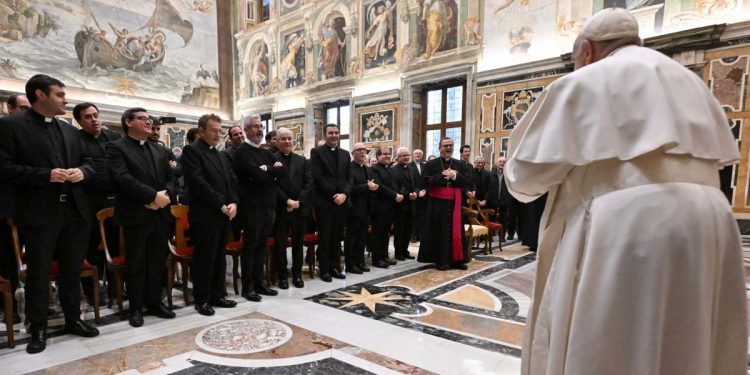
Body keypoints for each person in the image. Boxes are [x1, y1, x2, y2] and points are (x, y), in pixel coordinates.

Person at [505, 8, 747, 374]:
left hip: (628, 220)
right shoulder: (690, 82)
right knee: (689, 334)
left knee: (617, 342)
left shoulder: (587, 80)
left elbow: (525, 177)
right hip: (712, 219)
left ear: (587, 50)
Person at [0, 74, 100, 353]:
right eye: (59, 94)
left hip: (74, 211)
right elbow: (4, 168)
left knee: (71, 271)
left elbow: (91, 162)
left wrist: (83, 172)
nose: (65, 100)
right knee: (39, 274)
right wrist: (46, 175)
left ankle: (73, 319)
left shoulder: (69, 130)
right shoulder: (10, 126)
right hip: (39, 214)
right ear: (40, 95)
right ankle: (38, 327)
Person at [107, 107, 177, 328]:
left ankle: (155, 302)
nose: (149, 122)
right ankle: (136, 308)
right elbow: (122, 178)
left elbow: (173, 177)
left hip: (160, 214)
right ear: (128, 122)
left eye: (149, 119)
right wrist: (151, 196)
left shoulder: (160, 150)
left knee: (157, 262)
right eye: (143, 119)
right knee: (136, 263)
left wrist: (165, 195)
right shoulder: (116, 147)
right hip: (135, 214)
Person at [180, 114, 238, 316]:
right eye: (213, 130)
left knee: (219, 257)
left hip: (223, 215)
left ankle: (218, 294)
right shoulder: (192, 151)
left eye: (219, 130)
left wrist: (233, 203)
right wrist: (221, 204)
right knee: (205, 258)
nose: (217, 134)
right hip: (205, 215)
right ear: (201, 131)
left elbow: (231, 182)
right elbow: (198, 183)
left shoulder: (221, 155)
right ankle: (202, 299)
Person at [74, 102, 121, 302]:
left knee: (116, 246)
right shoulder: (75, 140)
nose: (94, 119)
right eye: (88, 117)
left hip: (116, 199)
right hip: (89, 201)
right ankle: (93, 293)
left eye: (95, 115)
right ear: (79, 121)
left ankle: (115, 290)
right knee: (91, 247)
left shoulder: (113, 137)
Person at [233, 115, 282, 300]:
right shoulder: (241, 152)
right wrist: (271, 171)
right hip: (251, 206)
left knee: (262, 246)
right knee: (251, 246)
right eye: (255, 127)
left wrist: (265, 169)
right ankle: (248, 287)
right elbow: (255, 175)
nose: (260, 130)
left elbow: (281, 172)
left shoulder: (267, 152)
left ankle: (260, 283)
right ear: (246, 130)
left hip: (269, 204)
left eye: (261, 126)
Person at [417, 137, 469, 270]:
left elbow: (467, 181)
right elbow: (424, 182)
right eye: (445, 146)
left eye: (450, 145)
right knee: (439, 231)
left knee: (456, 231)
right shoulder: (431, 164)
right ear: (439, 148)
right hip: (437, 204)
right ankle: (441, 260)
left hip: (455, 203)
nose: (448, 148)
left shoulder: (460, 164)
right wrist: (442, 175)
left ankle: (458, 260)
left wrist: (455, 176)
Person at [309, 124, 352, 281]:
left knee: (337, 237)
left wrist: (345, 194)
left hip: (342, 202)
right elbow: (318, 177)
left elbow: (350, 177)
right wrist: (335, 195)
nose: (334, 135)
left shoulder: (346, 154)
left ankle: (335, 267)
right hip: (325, 202)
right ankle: (325, 269)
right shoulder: (317, 152)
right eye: (331, 133)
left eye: (336, 132)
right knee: (325, 237)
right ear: (325, 135)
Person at [272, 127, 312, 289]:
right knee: (280, 244)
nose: (287, 141)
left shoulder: (302, 160)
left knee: (298, 243)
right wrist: (287, 201)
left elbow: (309, 183)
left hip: (299, 209)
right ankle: (282, 276)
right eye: (283, 139)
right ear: (277, 141)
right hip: (281, 209)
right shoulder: (271, 158)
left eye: (289, 138)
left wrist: (297, 202)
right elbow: (271, 184)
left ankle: (297, 274)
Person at [345, 143, 376, 273]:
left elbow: (370, 186)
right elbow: (349, 189)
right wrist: (367, 187)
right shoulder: (349, 169)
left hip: (366, 209)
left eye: (364, 150)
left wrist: (372, 187)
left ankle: (360, 261)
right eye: (359, 150)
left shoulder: (368, 169)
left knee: (362, 237)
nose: (363, 152)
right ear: (353, 153)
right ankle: (350, 264)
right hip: (353, 209)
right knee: (352, 238)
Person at [369, 147, 402, 268]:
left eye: (389, 154)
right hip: (379, 206)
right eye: (384, 154)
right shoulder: (374, 169)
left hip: (390, 206)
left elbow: (395, 185)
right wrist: (395, 195)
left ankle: (384, 256)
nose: (387, 156)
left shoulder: (391, 170)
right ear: (378, 156)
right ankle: (377, 259)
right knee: (378, 233)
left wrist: (399, 194)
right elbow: (379, 186)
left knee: (386, 233)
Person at [390, 147, 418, 260]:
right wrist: (407, 195)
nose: (406, 157)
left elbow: (417, 183)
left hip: (412, 205)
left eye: (407, 155)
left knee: (408, 229)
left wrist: (416, 192)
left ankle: (405, 250)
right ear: (398, 157)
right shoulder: (393, 170)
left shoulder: (412, 168)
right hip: (400, 205)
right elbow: (396, 186)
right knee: (399, 230)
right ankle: (398, 252)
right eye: (403, 155)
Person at [410, 149, 427, 241]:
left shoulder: (425, 166)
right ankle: (412, 235)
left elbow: (427, 179)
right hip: (413, 194)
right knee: (413, 216)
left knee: (422, 215)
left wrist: (424, 190)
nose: (418, 155)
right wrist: (417, 192)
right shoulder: (409, 166)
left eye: (420, 154)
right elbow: (408, 181)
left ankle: (421, 235)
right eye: (416, 153)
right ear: (413, 155)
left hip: (424, 195)